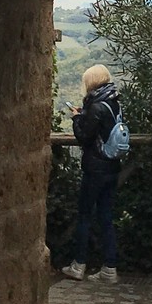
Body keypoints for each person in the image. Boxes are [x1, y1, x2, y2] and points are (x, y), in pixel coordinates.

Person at [62, 64, 122, 283]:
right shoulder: (114, 103)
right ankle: (110, 268)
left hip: (95, 169)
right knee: (106, 216)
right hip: (112, 167)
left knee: (85, 216)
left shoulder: (95, 107)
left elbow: (84, 137)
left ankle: (78, 264)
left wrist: (77, 118)